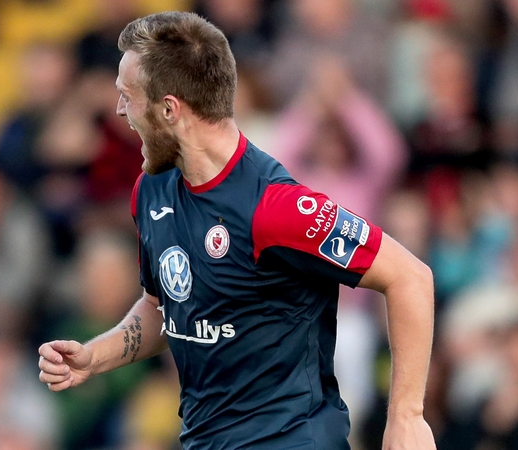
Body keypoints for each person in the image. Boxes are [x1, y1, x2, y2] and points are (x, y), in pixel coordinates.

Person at [37, 11, 436, 449]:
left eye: (127, 96)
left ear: (169, 108)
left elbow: (409, 277)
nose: (118, 109)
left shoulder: (277, 208)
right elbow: (165, 307)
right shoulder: (153, 191)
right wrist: (96, 356)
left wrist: (406, 416)